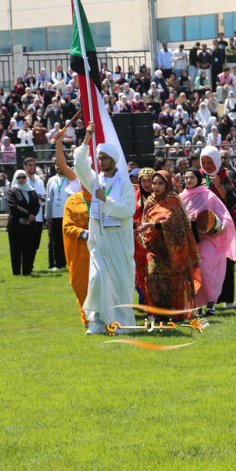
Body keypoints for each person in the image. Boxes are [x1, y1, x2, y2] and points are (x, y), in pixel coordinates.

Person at [73, 123, 136, 335]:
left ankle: (120, 322)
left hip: (118, 241)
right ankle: (98, 321)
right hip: (98, 241)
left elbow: (128, 210)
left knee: (118, 283)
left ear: (113, 160)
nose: (100, 162)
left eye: (104, 158)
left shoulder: (124, 184)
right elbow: (80, 166)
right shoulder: (95, 181)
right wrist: (87, 138)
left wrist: (106, 201)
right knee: (97, 279)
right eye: (99, 158)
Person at [136, 170, 201, 318]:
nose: (156, 186)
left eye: (160, 183)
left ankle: (173, 313)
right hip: (153, 247)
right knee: (152, 277)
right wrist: (144, 229)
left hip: (172, 250)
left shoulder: (174, 201)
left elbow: (178, 223)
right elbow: (145, 220)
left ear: (167, 184)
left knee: (172, 282)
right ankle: (158, 313)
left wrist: (153, 225)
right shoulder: (150, 201)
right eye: (154, 183)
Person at [178, 167, 236, 316]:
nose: (188, 180)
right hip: (189, 241)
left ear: (198, 179)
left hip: (208, 239)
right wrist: (186, 220)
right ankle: (197, 305)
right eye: (186, 178)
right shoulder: (180, 197)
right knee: (192, 272)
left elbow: (224, 217)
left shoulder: (208, 196)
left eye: (192, 177)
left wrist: (220, 228)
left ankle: (210, 303)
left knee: (204, 268)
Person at [199, 145, 236, 308]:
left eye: (210, 162)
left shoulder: (227, 174)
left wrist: (219, 186)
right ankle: (208, 299)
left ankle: (228, 299)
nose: (207, 166)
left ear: (217, 160)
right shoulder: (199, 175)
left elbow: (233, 200)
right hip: (204, 226)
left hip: (222, 226)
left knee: (225, 262)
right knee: (207, 263)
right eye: (204, 162)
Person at [63, 182, 93, 326]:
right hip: (81, 251)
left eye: (87, 180)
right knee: (80, 284)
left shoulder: (103, 199)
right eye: (82, 180)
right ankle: (87, 316)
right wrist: (83, 233)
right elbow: (67, 226)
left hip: (101, 249)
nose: (84, 184)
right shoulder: (72, 201)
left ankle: (99, 317)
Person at [6, 170, 42, 275]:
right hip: (16, 226)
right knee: (15, 250)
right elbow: (14, 206)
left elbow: (36, 205)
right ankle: (16, 273)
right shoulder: (11, 191)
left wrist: (31, 217)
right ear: (15, 179)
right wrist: (28, 215)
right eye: (19, 177)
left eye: (23, 177)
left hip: (30, 225)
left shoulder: (32, 190)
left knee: (28, 249)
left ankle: (27, 272)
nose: (21, 179)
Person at [133, 167, 155, 304]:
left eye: (150, 181)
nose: (147, 184)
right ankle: (144, 298)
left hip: (156, 238)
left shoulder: (160, 196)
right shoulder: (133, 196)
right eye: (144, 181)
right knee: (140, 270)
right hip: (138, 240)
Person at [23, 157, 47, 262]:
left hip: (38, 217)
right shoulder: (22, 180)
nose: (32, 167)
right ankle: (26, 266)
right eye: (30, 165)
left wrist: (42, 198)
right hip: (27, 217)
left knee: (35, 244)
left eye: (34, 165)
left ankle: (30, 265)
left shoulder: (39, 181)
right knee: (26, 244)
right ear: (24, 167)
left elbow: (44, 199)